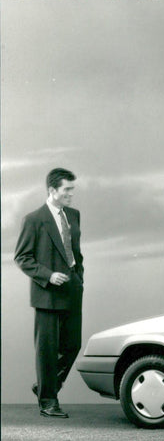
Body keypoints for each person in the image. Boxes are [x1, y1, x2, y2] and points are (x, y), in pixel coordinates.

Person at [14, 168, 84, 418]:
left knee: (73, 344)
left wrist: (79, 278)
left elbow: (76, 251)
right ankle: (48, 401)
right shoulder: (33, 219)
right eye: (67, 189)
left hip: (72, 290)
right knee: (47, 349)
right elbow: (22, 257)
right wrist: (48, 275)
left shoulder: (74, 215)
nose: (71, 194)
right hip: (47, 293)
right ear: (52, 190)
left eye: (72, 189)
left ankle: (46, 386)